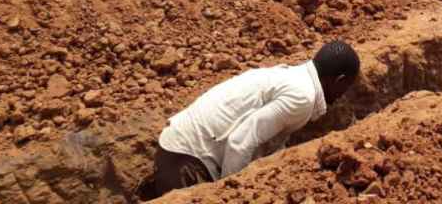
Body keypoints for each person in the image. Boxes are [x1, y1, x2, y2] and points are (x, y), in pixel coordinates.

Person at [151, 41, 360, 197]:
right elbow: (239, 143)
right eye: (346, 88)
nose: (342, 95)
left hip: (179, 150)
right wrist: (230, 196)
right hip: (186, 162)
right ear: (339, 80)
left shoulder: (293, 78)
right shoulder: (302, 97)